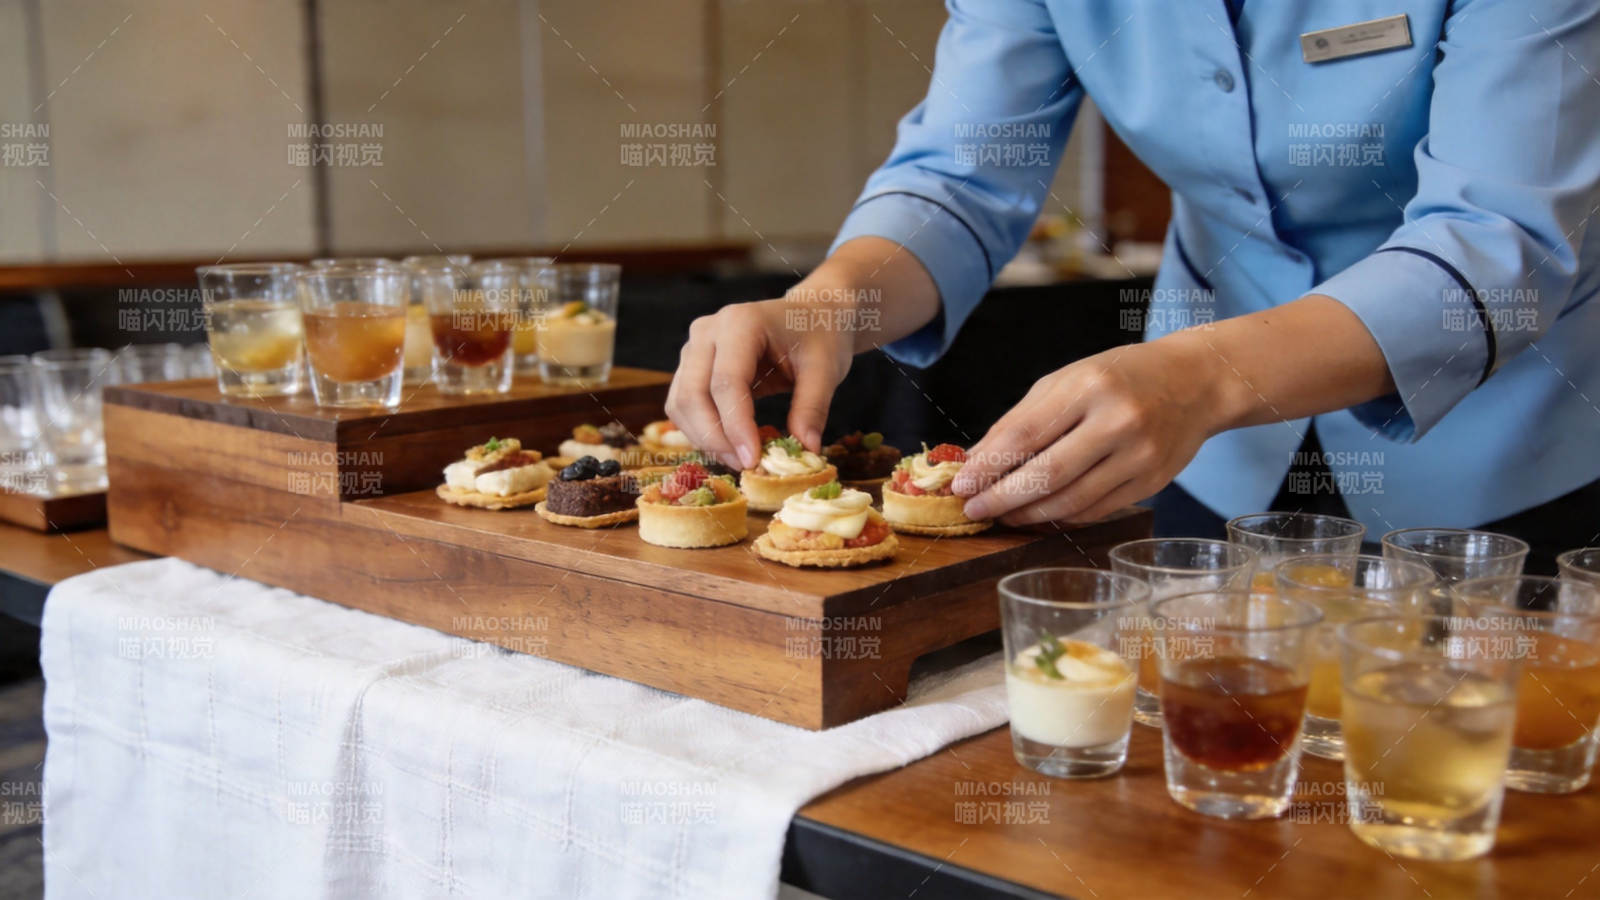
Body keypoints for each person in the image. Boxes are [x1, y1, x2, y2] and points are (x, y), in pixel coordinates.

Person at [666, 1, 1600, 568]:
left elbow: (1495, 241)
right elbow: (963, 176)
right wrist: (829, 302)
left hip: (1513, 437)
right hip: (1214, 460)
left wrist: (1196, 378)